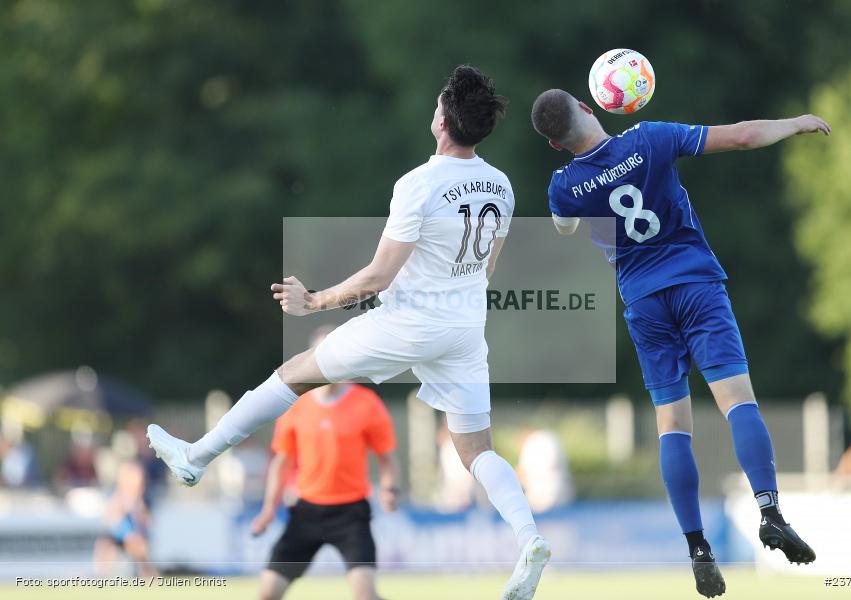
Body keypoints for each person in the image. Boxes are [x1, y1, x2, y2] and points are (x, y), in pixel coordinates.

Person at [149, 65, 550, 600]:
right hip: (466, 328)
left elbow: (378, 276)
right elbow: (487, 270)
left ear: (443, 121)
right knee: (477, 451)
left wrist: (315, 301)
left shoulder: (418, 183)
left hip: (411, 324)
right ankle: (529, 538)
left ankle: (195, 459)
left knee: (292, 376)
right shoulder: (501, 184)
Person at [530, 88, 829, 597]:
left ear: (554, 144)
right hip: (695, 284)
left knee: (672, 425)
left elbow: (564, 227)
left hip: (644, 303)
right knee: (737, 402)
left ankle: (697, 548)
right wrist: (795, 122)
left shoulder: (563, 185)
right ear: (587, 106)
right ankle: (770, 512)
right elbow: (742, 137)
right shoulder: (650, 138)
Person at [250, 347, 399, 600]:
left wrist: (390, 489)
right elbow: (282, 463)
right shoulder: (296, 405)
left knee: (365, 595)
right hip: (306, 513)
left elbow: (387, 458)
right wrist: (268, 510)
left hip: (351, 514)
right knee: (267, 594)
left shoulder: (367, 403)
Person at [93, 460, 158, 577]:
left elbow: (147, 525)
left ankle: (149, 574)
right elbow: (111, 522)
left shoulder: (143, 501)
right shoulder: (116, 499)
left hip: (134, 541)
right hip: (118, 540)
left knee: (139, 547)